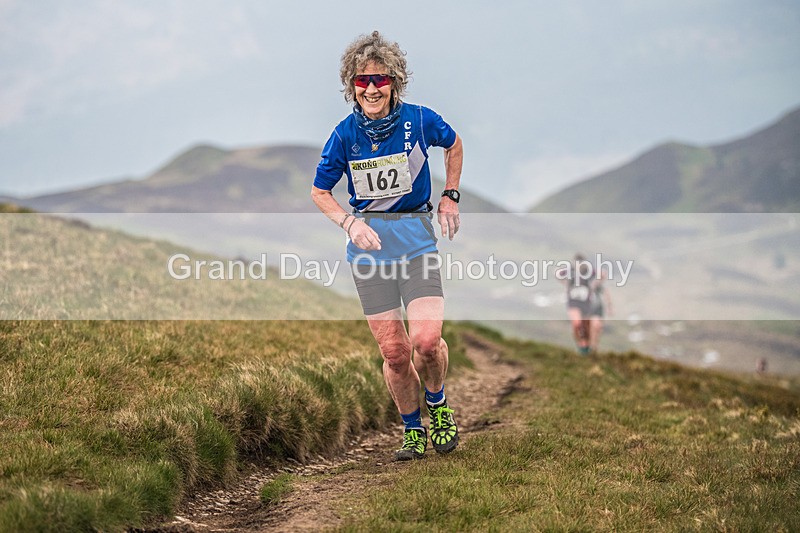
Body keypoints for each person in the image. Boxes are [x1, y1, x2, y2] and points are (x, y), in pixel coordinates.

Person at [311, 31, 463, 461]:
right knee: (396, 353)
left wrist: (450, 195)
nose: (372, 88)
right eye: (362, 82)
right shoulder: (343, 135)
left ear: (394, 82)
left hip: (416, 245)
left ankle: (438, 404)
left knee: (427, 341)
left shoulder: (419, 119)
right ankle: (412, 430)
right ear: (351, 87)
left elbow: (454, 144)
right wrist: (349, 223)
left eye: (380, 80)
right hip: (369, 255)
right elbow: (320, 192)